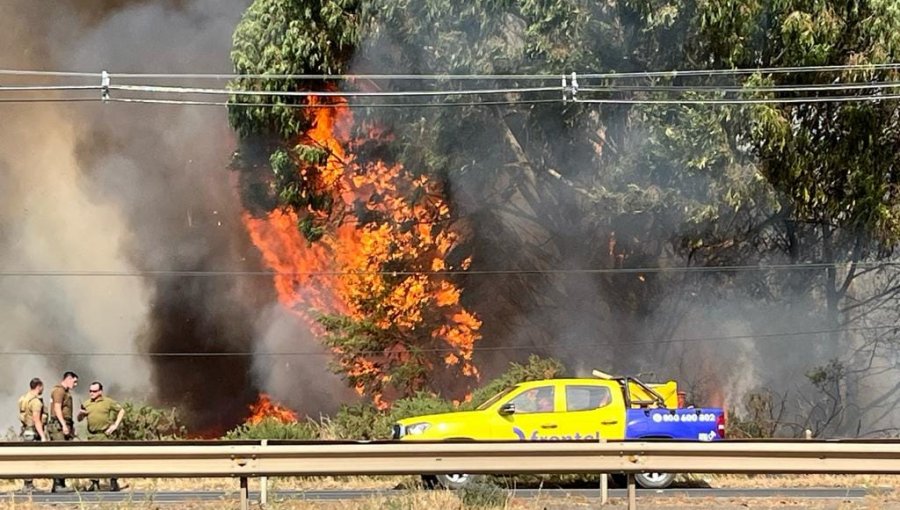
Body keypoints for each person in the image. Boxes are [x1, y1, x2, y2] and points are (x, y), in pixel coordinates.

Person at [77, 381, 125, 492]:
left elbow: (121, 410)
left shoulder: (107, 402)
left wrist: (115, 426)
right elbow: (79, 419)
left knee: (109, 460)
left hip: (105, 435)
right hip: (92, 436)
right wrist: (81, 414)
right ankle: (94, 482)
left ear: (100, 391)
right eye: (90, 391)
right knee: (93, 460)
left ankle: (113, 482)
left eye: (94, 391)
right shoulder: (87, 403)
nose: (91, 393)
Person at [48, 371, 78, 492]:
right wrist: (64, 425)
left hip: (64, 425)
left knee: (65, 455)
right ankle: (58, 483)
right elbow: (57, 408)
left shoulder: (65, 392)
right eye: (74, 381)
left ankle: (61, 483)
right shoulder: (59, 391)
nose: (75, 384)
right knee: (59, 454)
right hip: (58, 426)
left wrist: (70, 427)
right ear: (68, 379)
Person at [17, 378, 48, 492]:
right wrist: (43, 436)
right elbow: (37, 420)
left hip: (25, 431)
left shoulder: (23, 399)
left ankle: (27, 483)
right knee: (31, 458)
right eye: (42, 386)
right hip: (32, 432)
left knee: (27, 458)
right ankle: (28, 484)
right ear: (39, 386)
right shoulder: (35, 402)